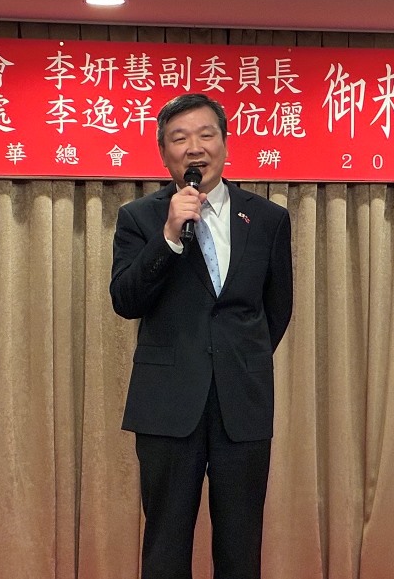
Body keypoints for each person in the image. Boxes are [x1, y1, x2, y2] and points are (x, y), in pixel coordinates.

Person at [110, 93, 293, 579]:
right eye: (180, 138)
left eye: (206, 134)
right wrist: (169, 235)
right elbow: (125, 300)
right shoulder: (139, 218)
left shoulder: (268, 218)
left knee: (240, 545)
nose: (195, 147)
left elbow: (276, 309)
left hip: (242, 401)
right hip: (167, 403)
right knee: (166, 545)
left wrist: (238, 358)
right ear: (163, 153)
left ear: (225, 144)